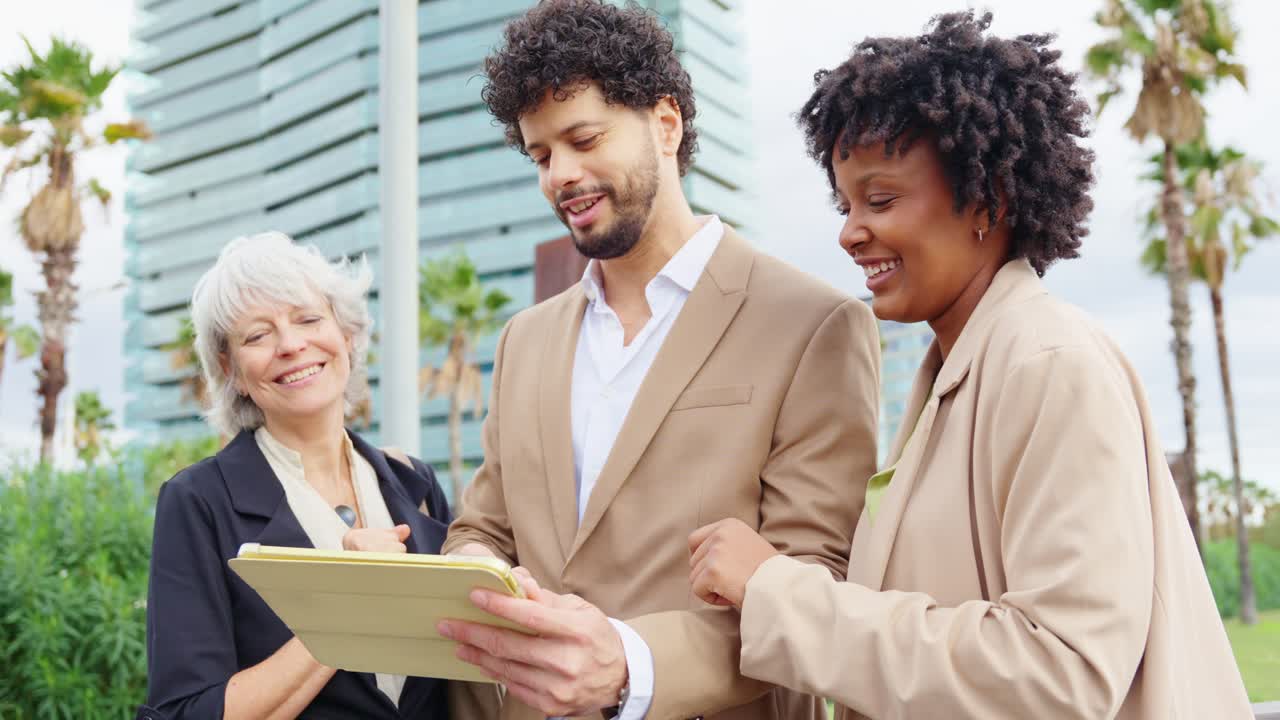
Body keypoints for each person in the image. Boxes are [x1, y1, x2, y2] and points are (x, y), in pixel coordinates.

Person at [686, 11, 1252, 719]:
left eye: (881, 199)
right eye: (844, 202)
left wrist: (777, 592)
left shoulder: (1049, 367)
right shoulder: (958, 377)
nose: (849, 231)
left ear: (988, 199)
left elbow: (1060, 674)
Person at [432, 1, 881, 718]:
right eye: (541, 156)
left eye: (583, 139)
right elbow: (483, 528)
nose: (560, 176)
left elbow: (812, 586)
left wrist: (627, 667)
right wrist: (480, 575)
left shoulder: (812, 324)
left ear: (665, 123)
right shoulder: (524, 340)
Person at [142, 233, 452, 719]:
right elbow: (187, 711)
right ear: (232, 370)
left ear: (346, 335)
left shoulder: (416, 484)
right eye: (257, 336)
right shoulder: (198, 502)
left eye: (308, 319)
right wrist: (346, 601)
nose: (291, 345)